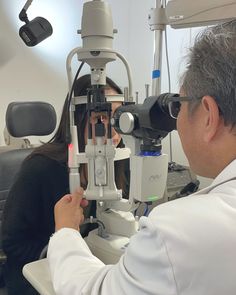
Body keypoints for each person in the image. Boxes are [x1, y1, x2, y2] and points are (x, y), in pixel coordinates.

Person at [47, 20, 236, 294]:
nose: (110, 127)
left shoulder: (176, 231)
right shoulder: (43, 169)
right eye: (102, 117)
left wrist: (65, 232)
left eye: (178, 106)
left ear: (208, 115)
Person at [1, 74, 130, 295]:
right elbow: (12, 243)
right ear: (77, 119)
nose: (115, 132)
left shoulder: (119, 160)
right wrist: (64, 239)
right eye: (102, 118)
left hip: (90, 267)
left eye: (118, 117)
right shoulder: (40, 168)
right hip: (37, 274)